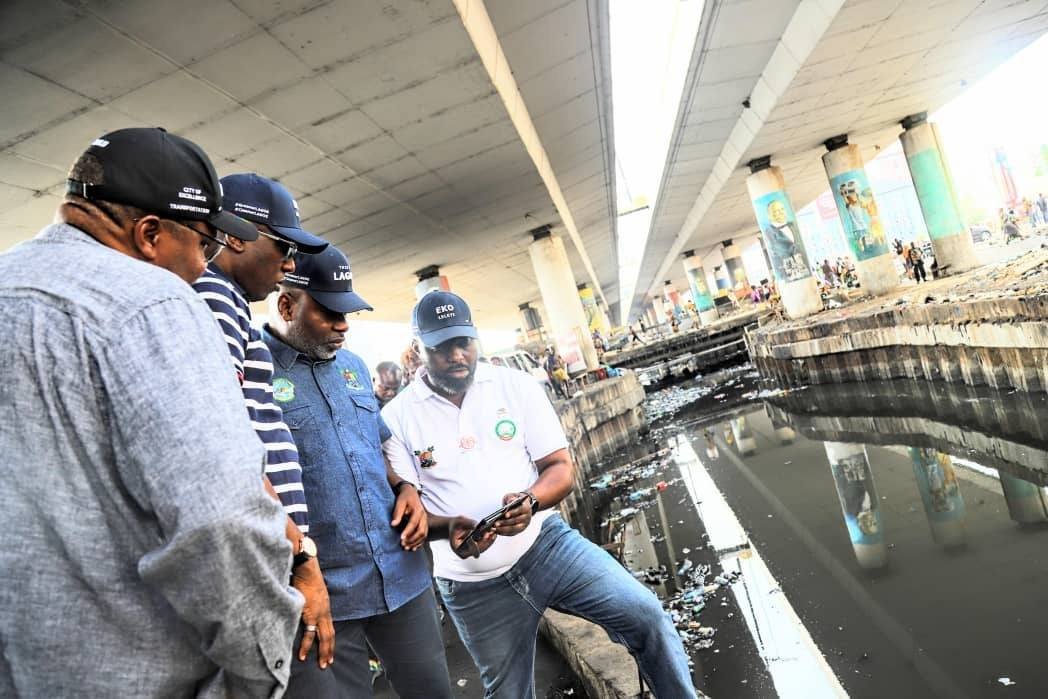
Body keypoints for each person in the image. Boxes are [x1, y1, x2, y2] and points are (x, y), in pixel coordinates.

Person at [0, 127, 302, 696]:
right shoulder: (154, 302)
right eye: (204, 246)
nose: (203, 267)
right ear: (149, 235)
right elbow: (220, 521)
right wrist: (261, 668)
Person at [381, 291, 697, 698]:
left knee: (647, 616)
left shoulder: (514, 386)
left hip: (548, 546)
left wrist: (530, 502)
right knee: (509, 693)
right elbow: (412, 508)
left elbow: (560, 468)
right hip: (472, 586)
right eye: (442, 347)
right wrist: (448, 529)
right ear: (417, 349)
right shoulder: (397, 418)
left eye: (464, 342)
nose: (457, 355)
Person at [263, 247, 452, 699]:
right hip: (324, 596)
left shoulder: (352, 367)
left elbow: (375, 446)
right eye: (330, 313)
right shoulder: (254, 372)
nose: (343, 325)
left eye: (348, 312)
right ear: (288, 305)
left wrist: (404, 486)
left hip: (399, 577)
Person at [193, 173, 335, 668]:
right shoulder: (213, 298)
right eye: (283, 247)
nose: (291, 263)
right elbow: (221, 440)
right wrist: (301, 562)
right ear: (234, 236)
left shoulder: (225, 301)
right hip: (268, 558)